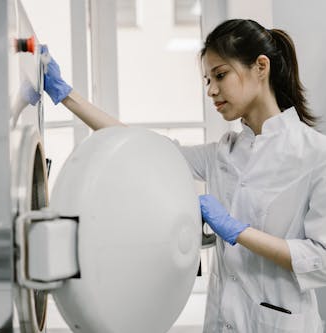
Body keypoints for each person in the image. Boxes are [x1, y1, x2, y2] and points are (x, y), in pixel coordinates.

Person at [40, 19, 326, 332]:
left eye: (220, 75)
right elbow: (142, 148)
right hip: (221, 322)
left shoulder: (314, 154)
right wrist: (67, 96)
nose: (211, 90)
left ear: (261, 67)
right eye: (207, 80)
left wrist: (237, 231)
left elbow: (321, 260)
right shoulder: (224, 152)